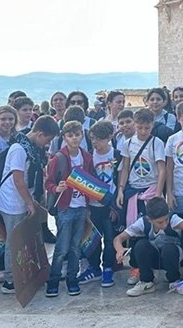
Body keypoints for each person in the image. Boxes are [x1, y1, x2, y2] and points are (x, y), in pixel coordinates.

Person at [0, 115, 59, 294]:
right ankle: (10, 279)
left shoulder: (31, 148)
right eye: (47, 139)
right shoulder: (19, 149)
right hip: (12, 201)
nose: (47, 143)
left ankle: (23, 274)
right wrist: (30, 203)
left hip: (22, 199)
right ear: (39, 134)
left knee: (23, 239)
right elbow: (18, 179)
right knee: (12, 240)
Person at [116, 108, 167, 288]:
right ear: (135, 125)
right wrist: (121, 189)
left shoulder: (157, 143)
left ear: (152, 125)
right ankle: (136, 268)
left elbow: (161, 169)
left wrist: (159, 194)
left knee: (152, 229)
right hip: (133, 192)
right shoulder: (128, 143)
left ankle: (152, 266)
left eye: (147, 128)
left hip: (151, 191)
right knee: (134, 231)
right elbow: (125, 167)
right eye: (140, 128)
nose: (143, 131)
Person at [44, 121, 92, 297]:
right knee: (62, 247)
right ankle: (54, 279)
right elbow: (48, 182)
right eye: (70, 135)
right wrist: (57, 188)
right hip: (65, 207)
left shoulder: (86, 157)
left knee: (75, 247)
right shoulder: (59, 158)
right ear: (64, 138)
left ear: (82, 135)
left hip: (81, 207)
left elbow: (90, 180)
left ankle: (72, 278)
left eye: (77, 134)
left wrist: (89, 207)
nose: (74, 138)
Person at [113, 197, 183, 296]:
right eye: (160, 222)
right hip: (155, 258)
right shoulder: (143, 222)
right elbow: (118, 239)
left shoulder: (174, 219)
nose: (164, 224)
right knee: (141, 245)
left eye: (166, 220)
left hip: (173, 257)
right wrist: (119, 249)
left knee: (169, 249)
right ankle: (146, 282)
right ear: (150, 220)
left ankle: (174, 281)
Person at [77, 120, 120, 287]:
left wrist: (115, 206)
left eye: (100, 139)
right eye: (93, 138)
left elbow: (120, 180)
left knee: (110, 239)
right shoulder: (88, 157)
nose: (96, 142)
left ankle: (108, 268)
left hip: (109, 205)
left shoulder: (116, 155)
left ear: (109, 137)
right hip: (92, 205)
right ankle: (94, 268)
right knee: (92, 238)